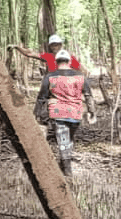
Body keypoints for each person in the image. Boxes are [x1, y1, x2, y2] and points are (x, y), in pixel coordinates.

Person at [35, 48, 95, 177]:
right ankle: (64, 165)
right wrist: (92, 111)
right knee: (69, 139)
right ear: (69, 61)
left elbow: (41, 97)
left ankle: (67, 171)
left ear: (56, 62)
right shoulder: (81, 76)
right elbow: (88, 95)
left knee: (63, 140)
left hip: (58, 113)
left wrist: (36, 114)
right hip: (75, 113)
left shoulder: (50, 76)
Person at [14, 33, 82, 73]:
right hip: (52, 86)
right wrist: (17, 47)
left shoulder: (69, 57)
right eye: (52, 45)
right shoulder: (48, 56)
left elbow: (80, 70)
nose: (54, 47)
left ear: (60, 45)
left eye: (56, 45)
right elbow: (30, 54)